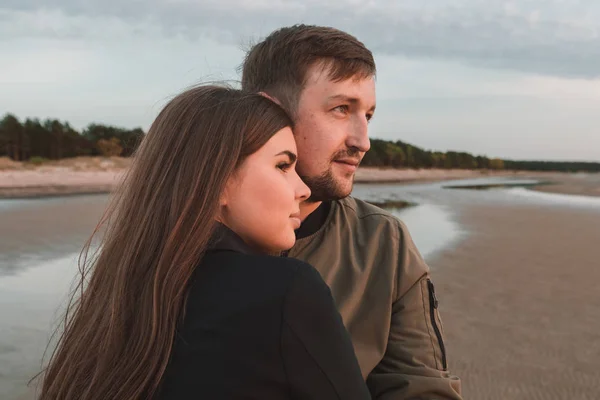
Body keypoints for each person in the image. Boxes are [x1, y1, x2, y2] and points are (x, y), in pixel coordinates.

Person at [37, 85, 371, 400]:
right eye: (283, 165)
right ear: (218, 181)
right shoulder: (288, 289)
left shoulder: (119, 295)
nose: (303, 190)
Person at [241, 25, 463, 399]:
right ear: (270, 112)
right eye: (341, 109)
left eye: (369, 115)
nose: (363, 140)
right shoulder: (178, 232)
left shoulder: (381, 241)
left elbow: (423, 387)